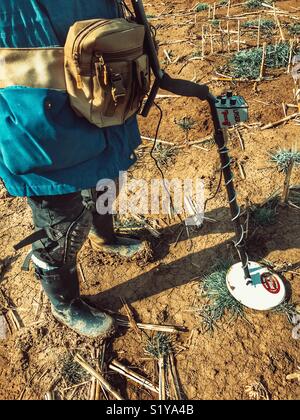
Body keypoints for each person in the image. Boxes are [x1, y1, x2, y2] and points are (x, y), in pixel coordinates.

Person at [0, 0, 148, 339]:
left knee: (109, 174)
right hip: (32, 86)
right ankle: (63, 301)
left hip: (105, 65)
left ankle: (103, 236)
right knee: (61, 216)